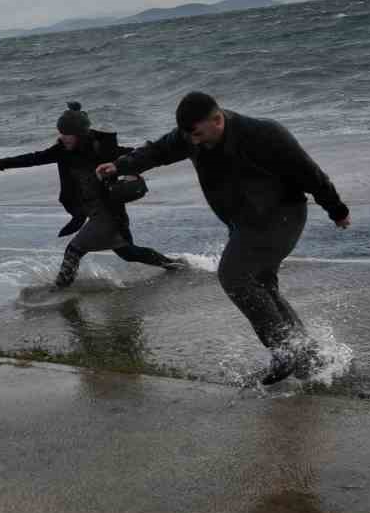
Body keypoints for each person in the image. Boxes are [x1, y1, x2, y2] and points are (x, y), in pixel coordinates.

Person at [99, 92, 351, 385]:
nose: (193, 142)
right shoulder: (190, 135)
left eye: (198, 134)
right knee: (262, 286)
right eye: (188, 136)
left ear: (218, 120)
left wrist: (337, 210)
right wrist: (120, 166)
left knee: (234, 276)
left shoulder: (264, 134)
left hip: (281, 217)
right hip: (243, 223)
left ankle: (284, 351)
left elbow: (311, 174)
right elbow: (158, 151)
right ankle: (309, 358)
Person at [0, 102, 185, 287]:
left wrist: (134, 174)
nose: (62, 137)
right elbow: (36, 158)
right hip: (93, 212)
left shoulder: (102, 150)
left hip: (108, 213)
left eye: (67, 133)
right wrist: (2, 163)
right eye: (61, 133)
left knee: (74, 250)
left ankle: (61, 291)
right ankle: (175, 265)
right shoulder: (63, 150)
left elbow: (137, 156)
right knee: (128, 253)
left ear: (79, 133)